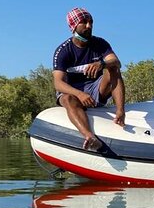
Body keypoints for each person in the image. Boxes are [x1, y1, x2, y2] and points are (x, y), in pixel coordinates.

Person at [53, 8, 125, 151]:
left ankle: (120, 112)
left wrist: (102, 64)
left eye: (91, 22)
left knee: (113, 68)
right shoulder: (63, 51)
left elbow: (117, 62)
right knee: (67, 98)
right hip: (73, 92)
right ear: (74, 26)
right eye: (84, 23)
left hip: (96, 89)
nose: (89, 26)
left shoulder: (100, 43)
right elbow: (58, 83)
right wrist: (80, 94)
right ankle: (89, 137)